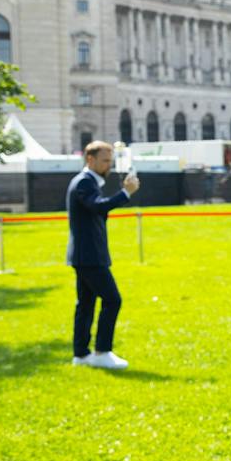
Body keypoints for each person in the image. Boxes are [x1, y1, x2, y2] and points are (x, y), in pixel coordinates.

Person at [68, 141, 139, 370]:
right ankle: (102, 351)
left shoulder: (87, 182)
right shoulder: (84, 183)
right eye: (105, 160)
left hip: (86, 255)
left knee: (86, 304)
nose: (109, 165)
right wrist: (126, 193)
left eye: (110, 160)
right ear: (90, 159)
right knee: (112, 299)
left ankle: (81, 354)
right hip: (89, 257)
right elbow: (99, 207)